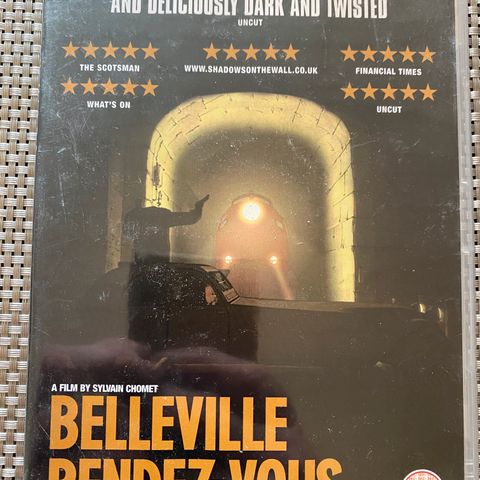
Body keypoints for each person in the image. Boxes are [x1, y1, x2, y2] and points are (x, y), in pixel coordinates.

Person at [123, 195, 210, 262]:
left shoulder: (135, 218)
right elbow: (192, 218)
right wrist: (198, 207)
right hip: (159, 262)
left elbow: (127, 234)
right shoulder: (161, 217)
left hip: (142, 263)